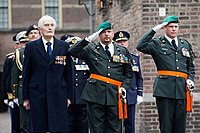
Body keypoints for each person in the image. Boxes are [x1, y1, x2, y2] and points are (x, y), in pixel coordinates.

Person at [68, 21, 133, 133]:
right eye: (103, 32)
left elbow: (128, 74)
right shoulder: (91, 49)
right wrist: (89, 39)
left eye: (109, 31)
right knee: (96, 128)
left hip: (115, 94)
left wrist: (124, 87)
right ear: (99, 34)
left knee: (115, 128)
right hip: (95, 94)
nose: (106, 34)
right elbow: (72, 51)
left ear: (113, 34)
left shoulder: (122, 51)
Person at [136, 15, 195, 133]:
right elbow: (140, 46)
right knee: (166, 126)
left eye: (176, 27)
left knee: (180, 127)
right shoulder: (157, 43)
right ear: (164, 28)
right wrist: (155, 29)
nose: (174, 29)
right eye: (171, 26)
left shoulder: (185, 44)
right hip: (165, 90)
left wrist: (190, 79)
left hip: (181, 89)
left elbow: (190, 67)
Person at [22, 15, 72, 133]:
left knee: (58, 126)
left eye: (52, 25)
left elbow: (69, 72)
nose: (49, 28)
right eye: (46, 25)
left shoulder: (64, 46)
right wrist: (25, 97)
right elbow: (26, 73)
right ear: (40, 29)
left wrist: (69, 96)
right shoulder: (31, 47)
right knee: (39, 127)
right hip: (37, 94)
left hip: (58, 94)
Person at [113, 31, 143, 133]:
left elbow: (139, 77)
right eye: (119, 41)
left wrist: (139, 93)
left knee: (130, 124)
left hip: (130, 95)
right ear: (115, 43)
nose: (122, 43)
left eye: (124, 41)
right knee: (116, 125)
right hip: (115, 94)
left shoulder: (134, 58)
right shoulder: (111, 58)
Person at [61, 35, 89, 133]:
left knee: (83, 125)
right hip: (69, 98)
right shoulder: (63, 61)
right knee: (69, 125)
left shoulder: (86, 61)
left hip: (83, 98)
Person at [2, 31, 26, 133]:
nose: (25, 45)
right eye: (23, 43)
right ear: (17, 44)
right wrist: (9, 97)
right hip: (16, 96)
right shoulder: (11, 58)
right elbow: (7, 79)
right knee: (16, 125)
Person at [11, 31, 29, 133]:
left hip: (39, 93)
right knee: (24, 125)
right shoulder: (18, 55)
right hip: (23, 92)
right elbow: (14, 76)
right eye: (23, 43)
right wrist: (13, 95)